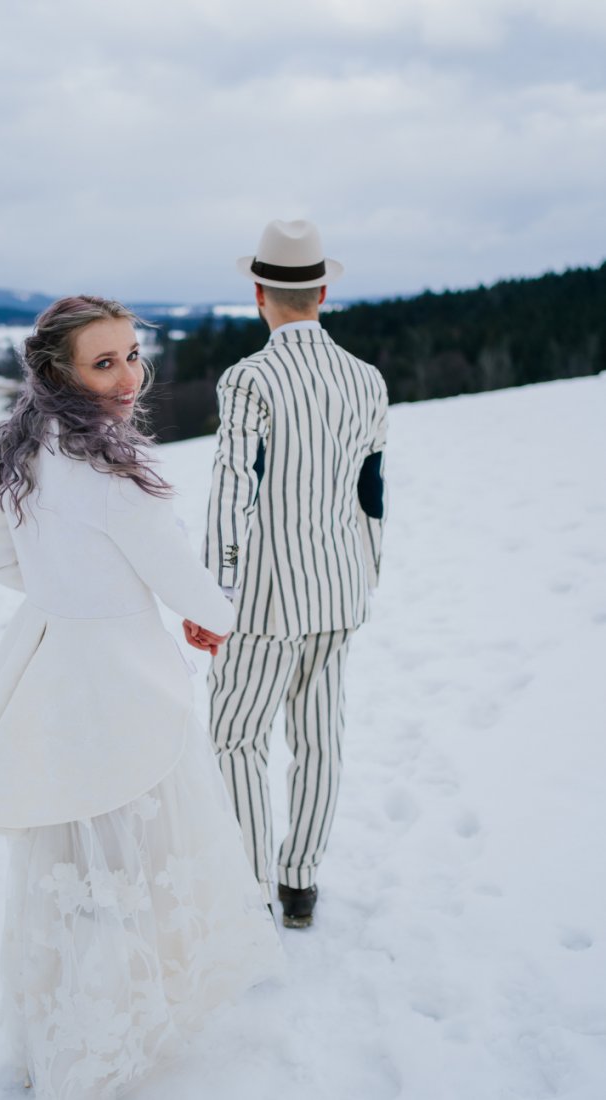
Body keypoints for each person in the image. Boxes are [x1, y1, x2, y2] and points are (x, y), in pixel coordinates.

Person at [0, 296, 282, 1098]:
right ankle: (112, 1035)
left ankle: (59, 1029)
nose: (129, 377)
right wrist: (212, 616)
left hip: (51, 666)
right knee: (135, 863)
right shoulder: (110, 469)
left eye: (133, 354)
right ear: (59, 372)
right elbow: (177, 573)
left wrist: (68, 589)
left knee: (69, 864)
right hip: (123, 680)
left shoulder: (23, 445)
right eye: (104, 363)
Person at [189, 219, 388, 929]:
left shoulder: (250, 377)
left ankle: (250, 892)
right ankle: (300, 883)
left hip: (265, 600)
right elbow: (372, 492)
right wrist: (366, 575)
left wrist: (214, 593)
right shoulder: (367, 380)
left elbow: (231, 490)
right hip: (341, 590)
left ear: (258, 294)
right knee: (320, 738)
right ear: (322, 293)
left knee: (236, 738)